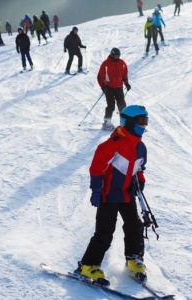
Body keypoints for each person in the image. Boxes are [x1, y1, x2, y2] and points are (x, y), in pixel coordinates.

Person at [75, 104, 149, 286]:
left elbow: (138, 167)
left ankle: (134, 257)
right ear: (129, 122)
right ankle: (88, 265)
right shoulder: (112, 144)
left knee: (135, 227)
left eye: (146, 121)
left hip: (126, 194)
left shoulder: (140, 146)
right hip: (108, 195)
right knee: (105, 232)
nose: (144, 125)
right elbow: (97, 168)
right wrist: (96, 189)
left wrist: (140, 180)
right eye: (141, 121)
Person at [97, 48, 131, 130]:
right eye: (115, 56)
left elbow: (124, 74)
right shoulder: (105, 64)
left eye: (118, 56)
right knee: (111, 105)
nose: (117, 57)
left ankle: (123, 123)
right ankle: (107, 122)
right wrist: (103, 87)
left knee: (122, 104)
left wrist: (126, 83)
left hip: (119, 87)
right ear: (112, 55)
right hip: (109, 88)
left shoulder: (122, 63)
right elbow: (100, 77)